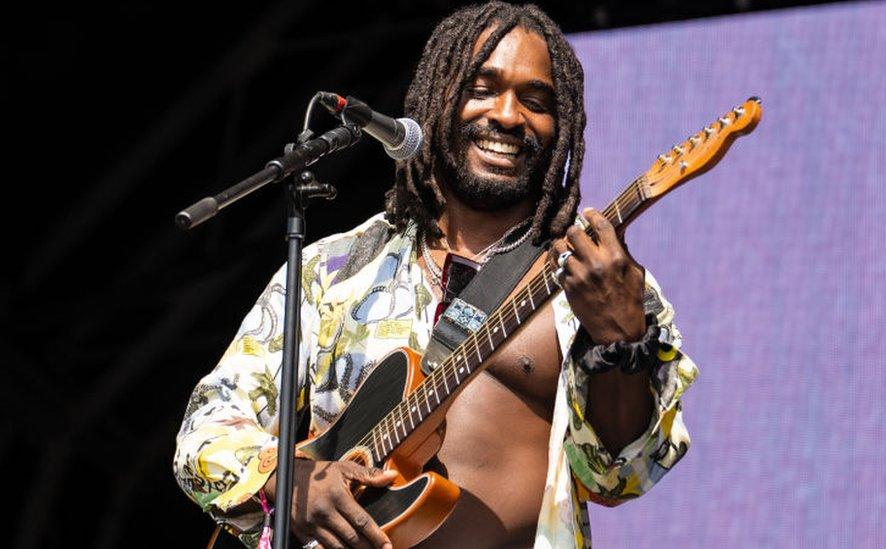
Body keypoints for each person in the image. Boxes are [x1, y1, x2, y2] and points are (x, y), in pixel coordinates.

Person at [174, 3, 698, 548]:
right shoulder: (334, 268)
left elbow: (621, 477)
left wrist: (622, 340)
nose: (509, 115)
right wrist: (290, 482)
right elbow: (204, 428)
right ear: (436, 100)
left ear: (560, 126)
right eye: (482, 88)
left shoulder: (597, 284)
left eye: (535, 101)